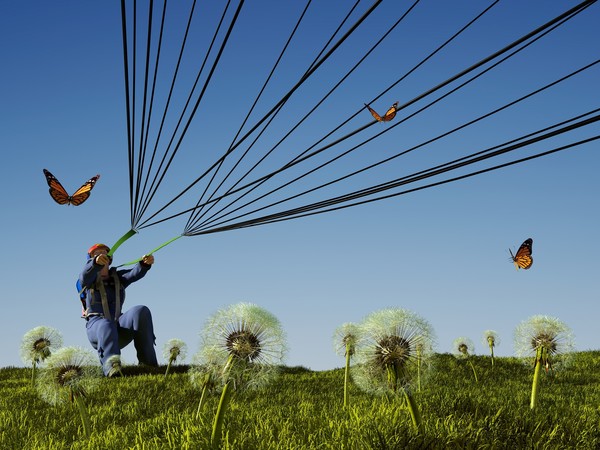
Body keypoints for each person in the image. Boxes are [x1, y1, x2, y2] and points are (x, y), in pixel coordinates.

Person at [78, 243, 158, 377]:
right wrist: (95, 264)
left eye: (104, 253)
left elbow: (133, 273)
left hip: (118, 326)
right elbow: (85, 275)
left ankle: (149, 366)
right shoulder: (85, 280)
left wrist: (144, 264)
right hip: (97, 328)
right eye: (96, 254)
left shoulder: (118, 277)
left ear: (110, 259)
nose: (102, 255)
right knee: (105, 324)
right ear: (90, 259)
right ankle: (112, 369)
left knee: (141, 311)